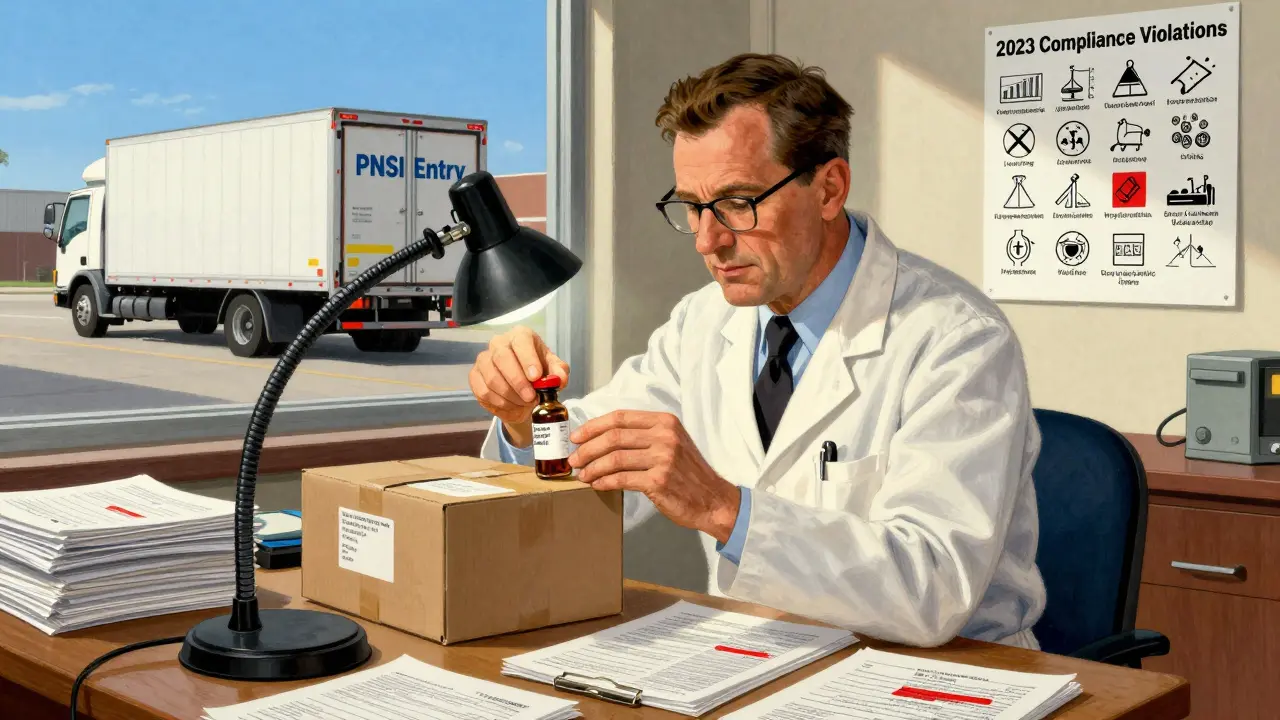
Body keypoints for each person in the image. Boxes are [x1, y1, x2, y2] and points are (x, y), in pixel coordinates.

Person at [470, 52, 1046, 649]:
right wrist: (525, 422)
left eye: (738, 202)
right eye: (692, 206)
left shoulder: (956, 338)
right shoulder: (702, 321)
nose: (707, 240)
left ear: (829, 188)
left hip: (952, 676)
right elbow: (604, 449)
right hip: (758, 657)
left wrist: (726, 510)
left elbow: (934, 587)